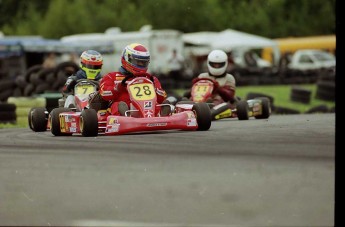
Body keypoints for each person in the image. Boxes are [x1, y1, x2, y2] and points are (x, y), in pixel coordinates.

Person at [99, 43, 168, 116]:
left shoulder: (151, 79)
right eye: (138, 62)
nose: (141, 65)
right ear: (127, 59)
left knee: (161, 104)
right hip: (126, 109)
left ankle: (163, 116)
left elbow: (162, 98)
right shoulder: (112, 76)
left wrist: (156, 90)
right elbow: (104, 94)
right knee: (118, 105)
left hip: (148, 108)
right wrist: (116, 88)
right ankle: (126, 118)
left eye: (144, 62)